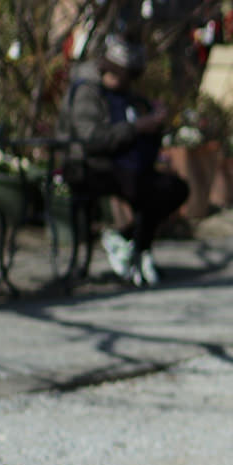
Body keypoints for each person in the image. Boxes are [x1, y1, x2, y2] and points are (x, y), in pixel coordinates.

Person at [63, 35, 188, 286]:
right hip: (90, 165)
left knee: (173, 188)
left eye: (128, 76)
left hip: (125, 165)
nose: (121, 80)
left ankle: (129, 243)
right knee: (145, 188)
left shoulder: (126, 94)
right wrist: (137, 127)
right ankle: (135, 251)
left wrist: (155, 121)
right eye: (118, 73)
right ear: (106, 68)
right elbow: (92, 140)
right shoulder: (87, 91)